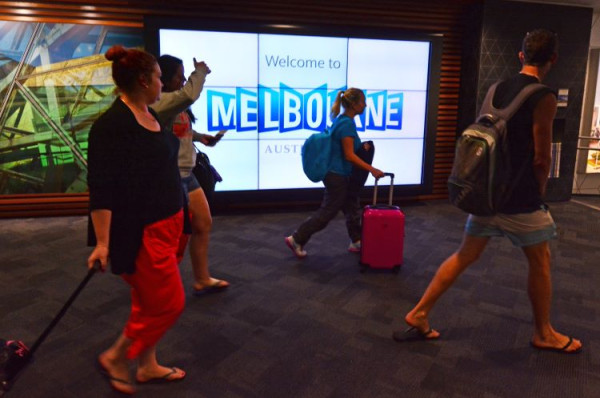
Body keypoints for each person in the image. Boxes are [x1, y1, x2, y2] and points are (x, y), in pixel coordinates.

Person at [395, 29, 582, 354]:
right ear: (553, 59)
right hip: (520, 200)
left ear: (521, 55)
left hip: (486, 194)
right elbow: (542, 157)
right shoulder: (544, 96)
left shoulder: (496, 89)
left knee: (464, 254)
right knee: (541, 262)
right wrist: (539, 194)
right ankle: (544, 333)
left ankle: (419, 312)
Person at [87, 45, 187, 394]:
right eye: (161, 77)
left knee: (147, 302)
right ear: (144, 80)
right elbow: (101, 189)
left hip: (169, 224)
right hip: (142, 232)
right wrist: (102, 243)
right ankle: (116, 357)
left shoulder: (149, 113)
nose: (165, 83)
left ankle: (147, 366)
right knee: (169, 303)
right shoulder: (111, 126)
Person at [151, 54, 230, 295]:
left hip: (188, 173)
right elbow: (189, 93)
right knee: (171, 236)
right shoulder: (162, 101)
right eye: (179, 75)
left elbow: (182, 128)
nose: (183, 79)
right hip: (171, 177)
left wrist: (200, 138)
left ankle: (201, 279)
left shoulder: (176, 105)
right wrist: (200, 72)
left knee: (203, 223)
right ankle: (158, 285)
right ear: (164, 77)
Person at [285, 88, 385, 258]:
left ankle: (356, 240)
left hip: (338, 173)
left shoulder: (342, 120)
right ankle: (297, 238)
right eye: (362, 101)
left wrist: (362, 147)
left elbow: (347, 149)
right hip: (336, 175)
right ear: (354, 104)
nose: (365, 105)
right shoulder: (346, 124)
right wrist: (372, 169)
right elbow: (349, 155)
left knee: (351, 206)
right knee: (328, 211)